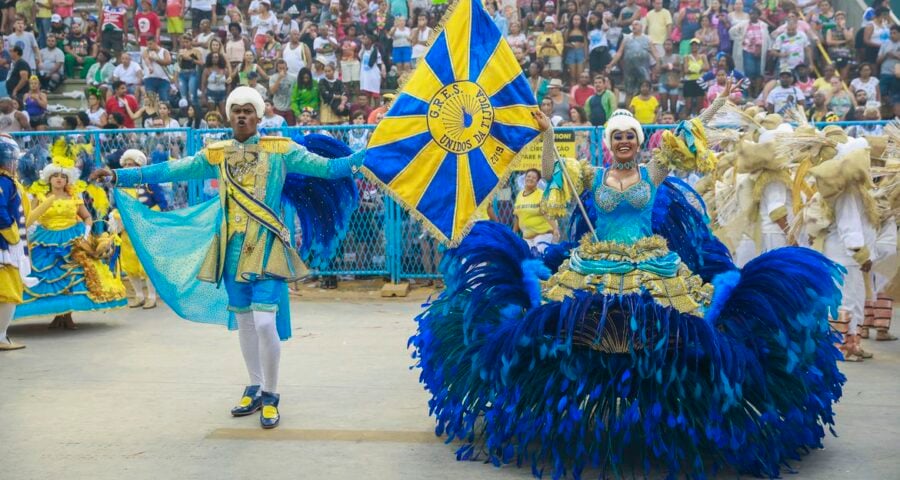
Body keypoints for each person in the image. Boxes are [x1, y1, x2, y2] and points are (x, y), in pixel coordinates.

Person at [409, 83, 846, 478]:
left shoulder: (652, 173)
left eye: (629, 136)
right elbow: (550, 170)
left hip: (652, 266)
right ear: (607, 143)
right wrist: (546, 135)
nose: (623, 142)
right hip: (595, 264)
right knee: (570, 327)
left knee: (675, 332)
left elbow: (688, 131)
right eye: (617, 136)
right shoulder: (590, 175)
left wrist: (716, 104)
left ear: (637, 142)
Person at [89, 86, 366, 430]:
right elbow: (173, 170)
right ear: (228, 114)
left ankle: (271, 393)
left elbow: (329, 168)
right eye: (236, 110)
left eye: (249, 110)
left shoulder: (280, 150)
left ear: (260, 115)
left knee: (265, 322)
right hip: (232, 250)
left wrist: (372, 154)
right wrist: (121, 175)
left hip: (266, 248)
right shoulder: (217, 153)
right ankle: (253, 384)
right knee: (246, 322)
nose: (242, 115)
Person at [15, 154, 126, 327]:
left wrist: (86, 233)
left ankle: (67, 316)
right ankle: (57, 314)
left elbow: (87, 217)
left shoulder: (74, 197)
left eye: (63, 177)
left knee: (75, 276)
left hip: (72, 238)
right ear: (49, 179)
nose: (59, 179)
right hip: (45, 238)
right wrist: (27, 232)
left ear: (68, 180)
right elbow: (30, 217)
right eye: (56, 176)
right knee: (46, 275)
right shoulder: (40, 196)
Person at [109, 150, 166, 309]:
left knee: (146, 264)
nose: (127, 167)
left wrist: (146, 217)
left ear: (139, 165)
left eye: (131, 164)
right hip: (127, 232)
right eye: (125, 164)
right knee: (130, 264)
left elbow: (162, 204)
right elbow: (116, 206)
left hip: (145, 230)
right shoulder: (120, 186)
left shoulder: (149, 183)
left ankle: (152, 296)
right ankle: (139, 295)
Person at [0, 135, 29, 350]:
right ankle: (1, 337)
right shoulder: (3, 181)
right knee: (9, 291)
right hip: (4, 246)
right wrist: (12, 234)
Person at [512, 168, 559, 253]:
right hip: (527, 237)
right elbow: (517, 216)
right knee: (527, 258)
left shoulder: (541, 194)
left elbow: (547, 213)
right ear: (525, 178)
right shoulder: (519, 195)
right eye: (528, 176)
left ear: (537, 181)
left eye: (534, 178)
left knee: (539, 255)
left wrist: (555, 229)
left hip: (542, 235)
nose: (530, 179)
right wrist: (513, 233)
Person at [142, 36, 172, 104]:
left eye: (150, 44)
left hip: (163, 79)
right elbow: (146, 59)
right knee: (150, 100)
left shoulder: (164, 51)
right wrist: (150, 67)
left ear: (156, 42)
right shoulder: (146, 51)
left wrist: (156, 59)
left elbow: (168, 62)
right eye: (147, 44)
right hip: (150, 79)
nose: (149, 46)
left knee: (164, 98)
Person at [176, 35, 203, 107]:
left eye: (187, 42)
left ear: (191, 42)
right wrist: (179, 58)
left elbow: (201, 63)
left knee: (192, 94)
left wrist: (190, 59)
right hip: (182, 73)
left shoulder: (196, 51)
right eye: (184, 42)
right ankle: (185, 112)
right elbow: (178, 65)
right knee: (183, 97)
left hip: (192, 73)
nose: (185, 44)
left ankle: (195, 110)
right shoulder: (181, 51)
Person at [877, 25, 900, 105]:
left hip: (897, 75)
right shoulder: (884, 44)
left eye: (894, 33)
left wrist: (895, 55)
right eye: (891, 33)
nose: (892, 35)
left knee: (896, 96)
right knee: (882, 93)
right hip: (885, 73)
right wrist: (886, 55)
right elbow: (878, 61)